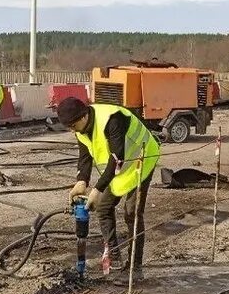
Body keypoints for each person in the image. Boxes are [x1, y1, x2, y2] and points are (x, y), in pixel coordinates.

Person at [56, 96, 160, 275]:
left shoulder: (112, 120)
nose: (72, 130)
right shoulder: (81, 129)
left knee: (132, 213)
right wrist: (82, 181)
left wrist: (97, 189)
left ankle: (135, 266)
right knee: (104, 208)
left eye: (72, 126)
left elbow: (116, 158)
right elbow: (85, 156)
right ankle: (114, 255)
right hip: (120, 170)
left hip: (141, 162)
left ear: (83, 117)